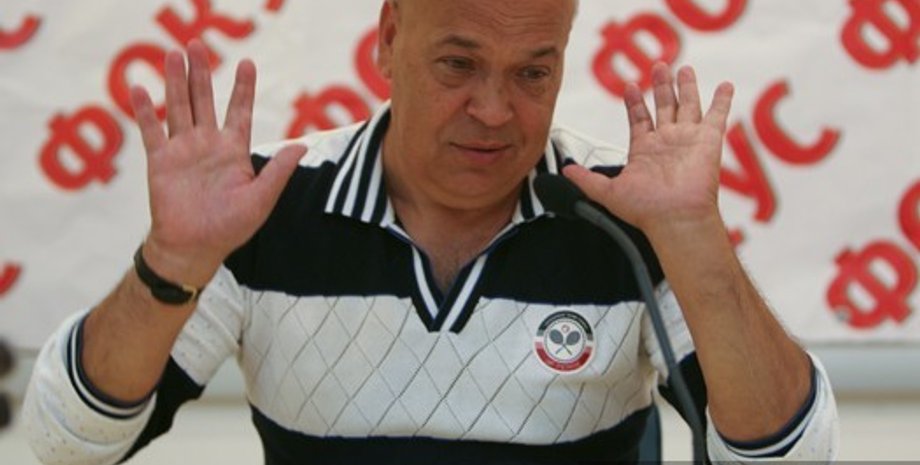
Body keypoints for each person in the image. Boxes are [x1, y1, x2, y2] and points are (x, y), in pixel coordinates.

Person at [22, 0, 839, 463]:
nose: (494, 109)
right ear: (389, 38)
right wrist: (170, 262)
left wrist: (695, 239)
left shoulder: (626, 214)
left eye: (532, 72)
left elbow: (794, 458)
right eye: (458, 64)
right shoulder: (263, 206)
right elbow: (64, 443)